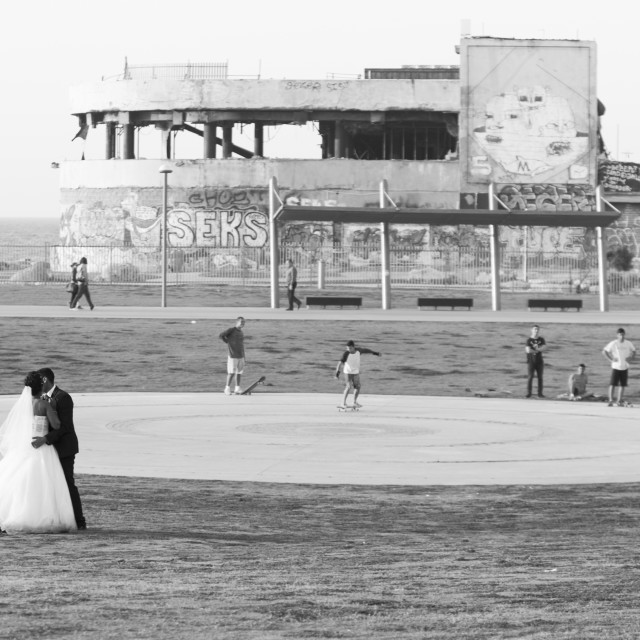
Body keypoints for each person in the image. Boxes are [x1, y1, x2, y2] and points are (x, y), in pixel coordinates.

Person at [0, 371, 77, 534]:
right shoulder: (44, 404)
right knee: (46, 482)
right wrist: (52, 411)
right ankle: (43, 516)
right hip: (42, 446)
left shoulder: (23, 405)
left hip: (27, 444)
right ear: (41, 385)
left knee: (23, 480)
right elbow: (56, 425)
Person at [31, 368, 87, 529]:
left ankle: (79, 521)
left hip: (64, 448)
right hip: (47, 450)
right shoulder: (41, 399)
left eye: (39, 380)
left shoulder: (63, 397)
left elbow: (65, 427)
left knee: (68, 484)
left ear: (45, 380)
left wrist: (46, 439)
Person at [335, 340, 381, 409]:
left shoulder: (359, 351)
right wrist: (337, 373)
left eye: (350, 348)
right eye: (347, 348)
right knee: (348, 387)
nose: (348, 350)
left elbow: (366, 350)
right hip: (347, 372)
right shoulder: (346, 354)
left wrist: (375, 353)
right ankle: (343, 403)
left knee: (358, 387)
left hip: (355, 372)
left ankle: (354, 402)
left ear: (353, 347)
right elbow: (339, 363)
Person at [603, 328, 636, 407]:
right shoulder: (613, 343)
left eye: (623, 334)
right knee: (612, 384)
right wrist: (611, 359)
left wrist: (631, 358)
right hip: (616, 367)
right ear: (617, 335)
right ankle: (610, 400)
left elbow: (634, 351)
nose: (622, 336)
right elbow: (604, 351)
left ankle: (619, 400)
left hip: (624, 366)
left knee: (622, 385)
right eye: (620, 335)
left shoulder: (628, 343)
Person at [220, 317, 246, 395]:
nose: (243, 323)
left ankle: (237, 388)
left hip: (240, 355)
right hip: (233, 356)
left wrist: (244, 357)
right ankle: (227, 388)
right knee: (231, 373)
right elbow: (221, 335)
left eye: (244, 322)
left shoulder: (241, 332)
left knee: (239, 373)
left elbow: (241, 345)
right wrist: (228, 342)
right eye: (241, 322)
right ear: (237, 322)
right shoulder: (231, 330)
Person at [525, 324, 546, 398]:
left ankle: (540, 393)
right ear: (532, 330)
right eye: (535, 329)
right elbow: (528, 350)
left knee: (540, 377)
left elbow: (544, 348)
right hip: (531, 361)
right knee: (530, 377)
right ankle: (529, 393)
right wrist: (537, 350)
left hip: (539, 361)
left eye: (537, 329)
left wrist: (535, 350)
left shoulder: (541, 339)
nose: (536, 331)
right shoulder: (529, 340)